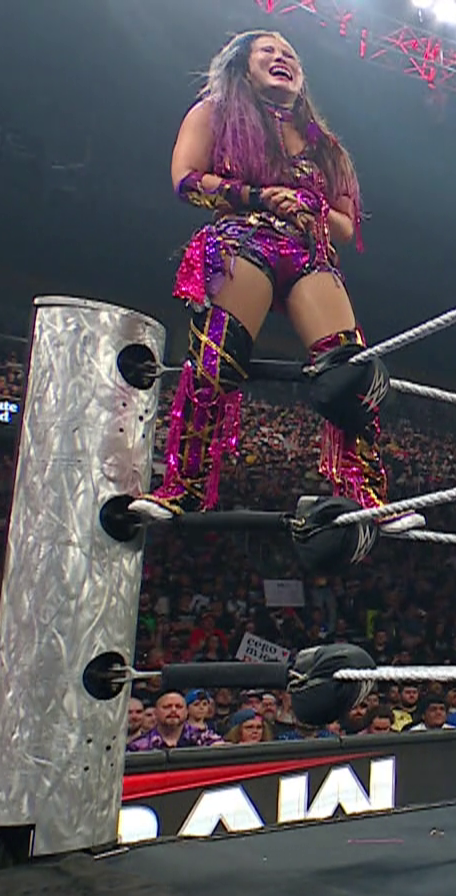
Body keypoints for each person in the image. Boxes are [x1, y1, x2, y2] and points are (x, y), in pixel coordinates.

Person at [129, 29, 423, 533]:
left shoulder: (325, 147)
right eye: (268, 50)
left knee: (348, 370)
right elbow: (186, 181)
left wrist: (310, 206)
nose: (282, 56)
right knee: (216, 360)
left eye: (289, 53)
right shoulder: (216, 114)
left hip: (309, 251)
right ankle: (184, 488)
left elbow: (347, 226)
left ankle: (369, 498)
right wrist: (258, 197)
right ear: (243, 65)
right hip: (243, 238)